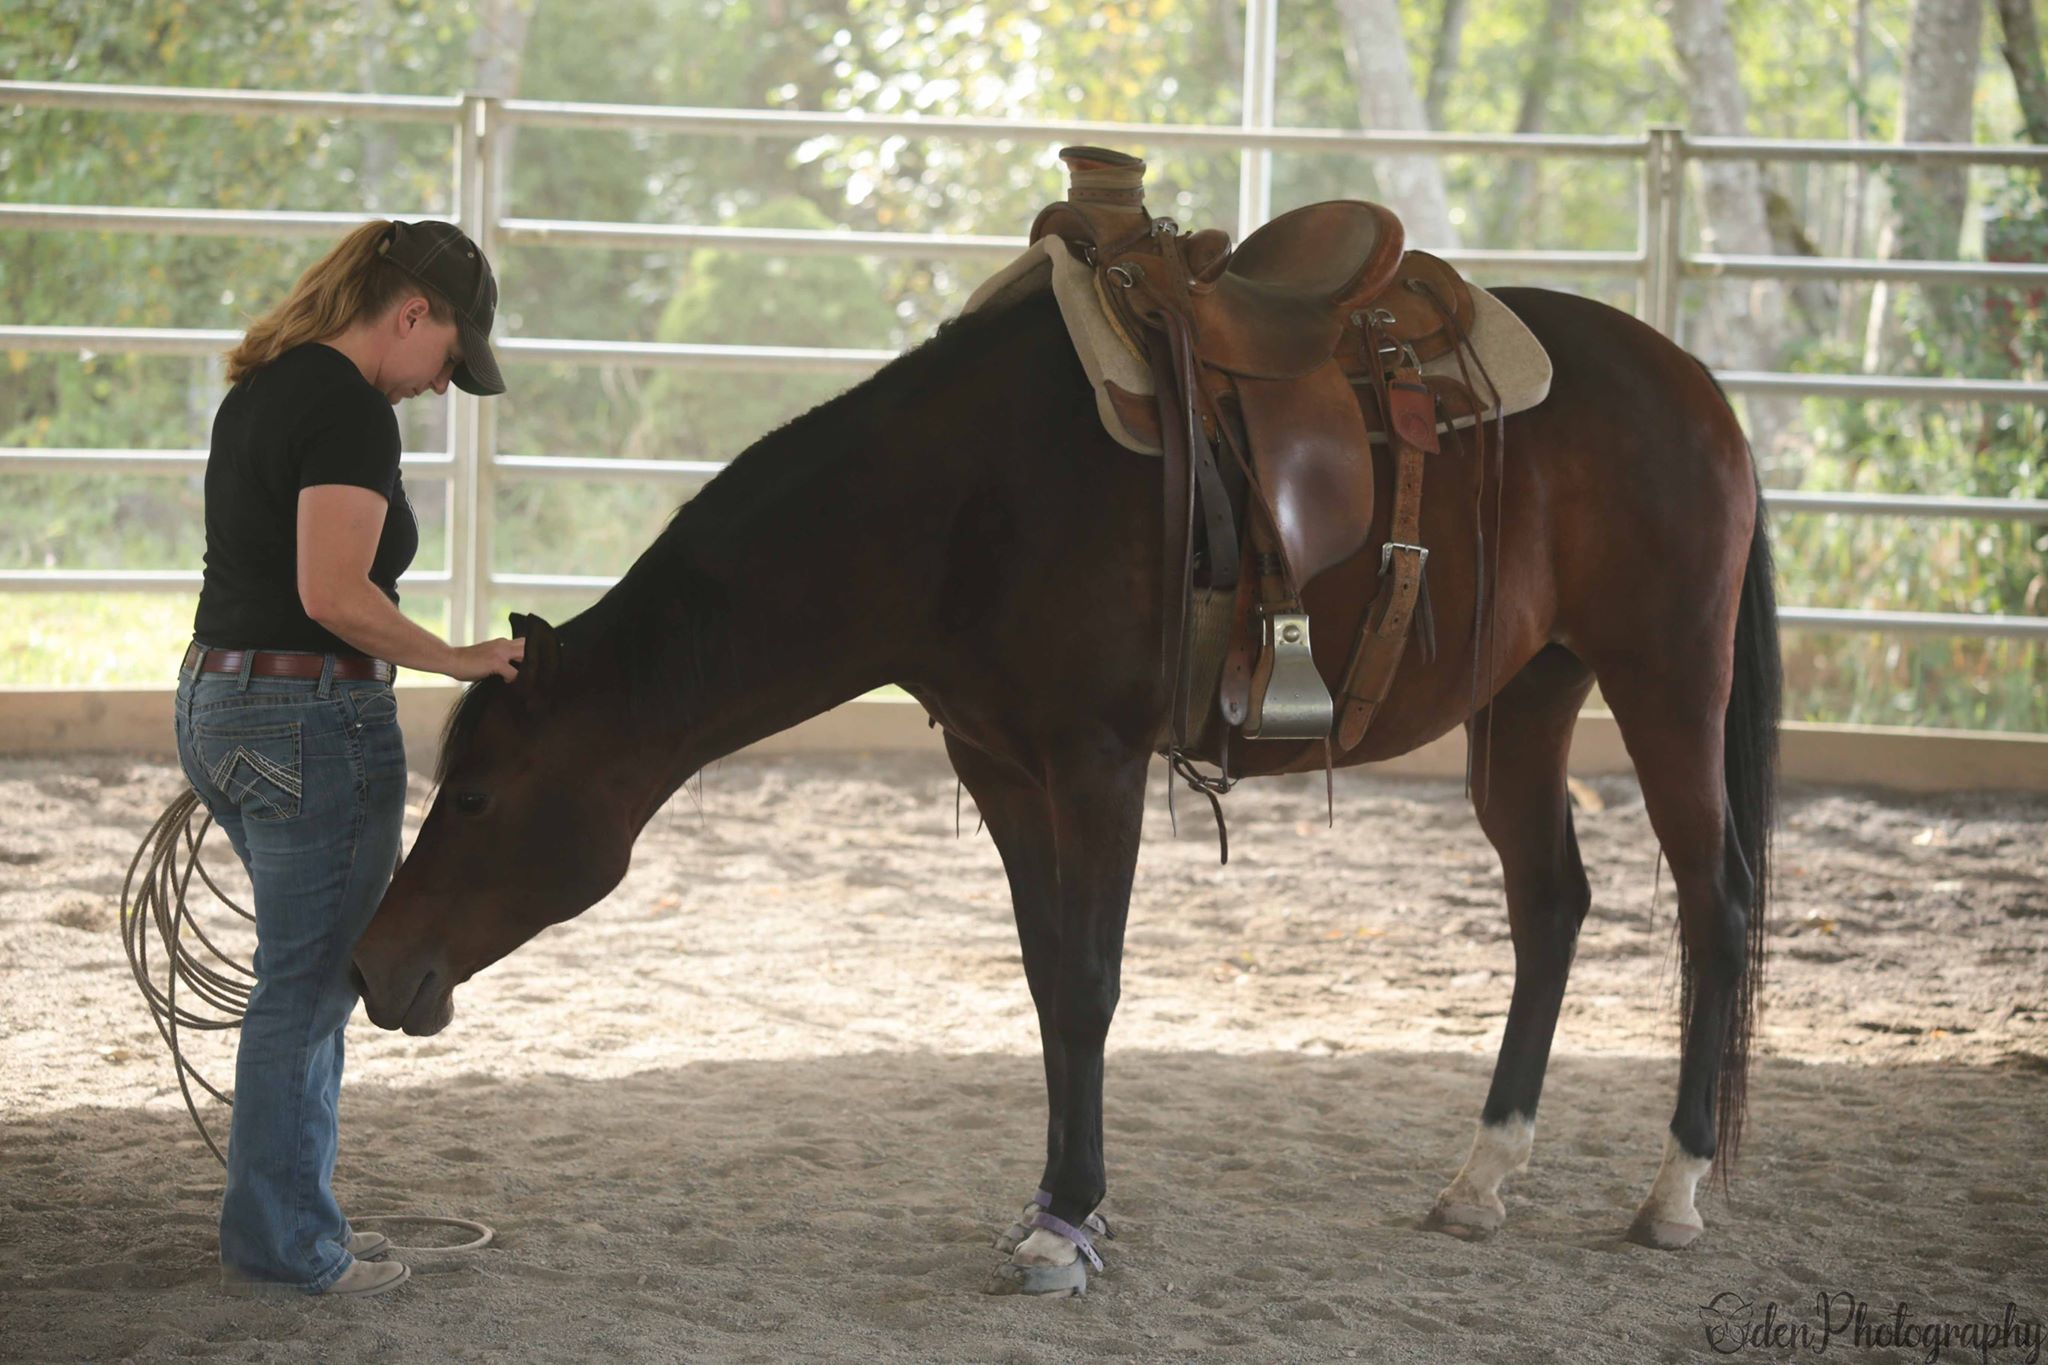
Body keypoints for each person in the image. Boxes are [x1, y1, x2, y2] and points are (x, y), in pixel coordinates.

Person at [174, 219, 523, 1297]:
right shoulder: (347, 411)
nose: (439, 384)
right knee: (310, 986)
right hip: (307, 713)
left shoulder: (266, 390)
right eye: (449, 359)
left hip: (221, 700)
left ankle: (283, 1228)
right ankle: (287, 1249)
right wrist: (455, 658)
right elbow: (334, 596)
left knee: (300, 979)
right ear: (410, 314)